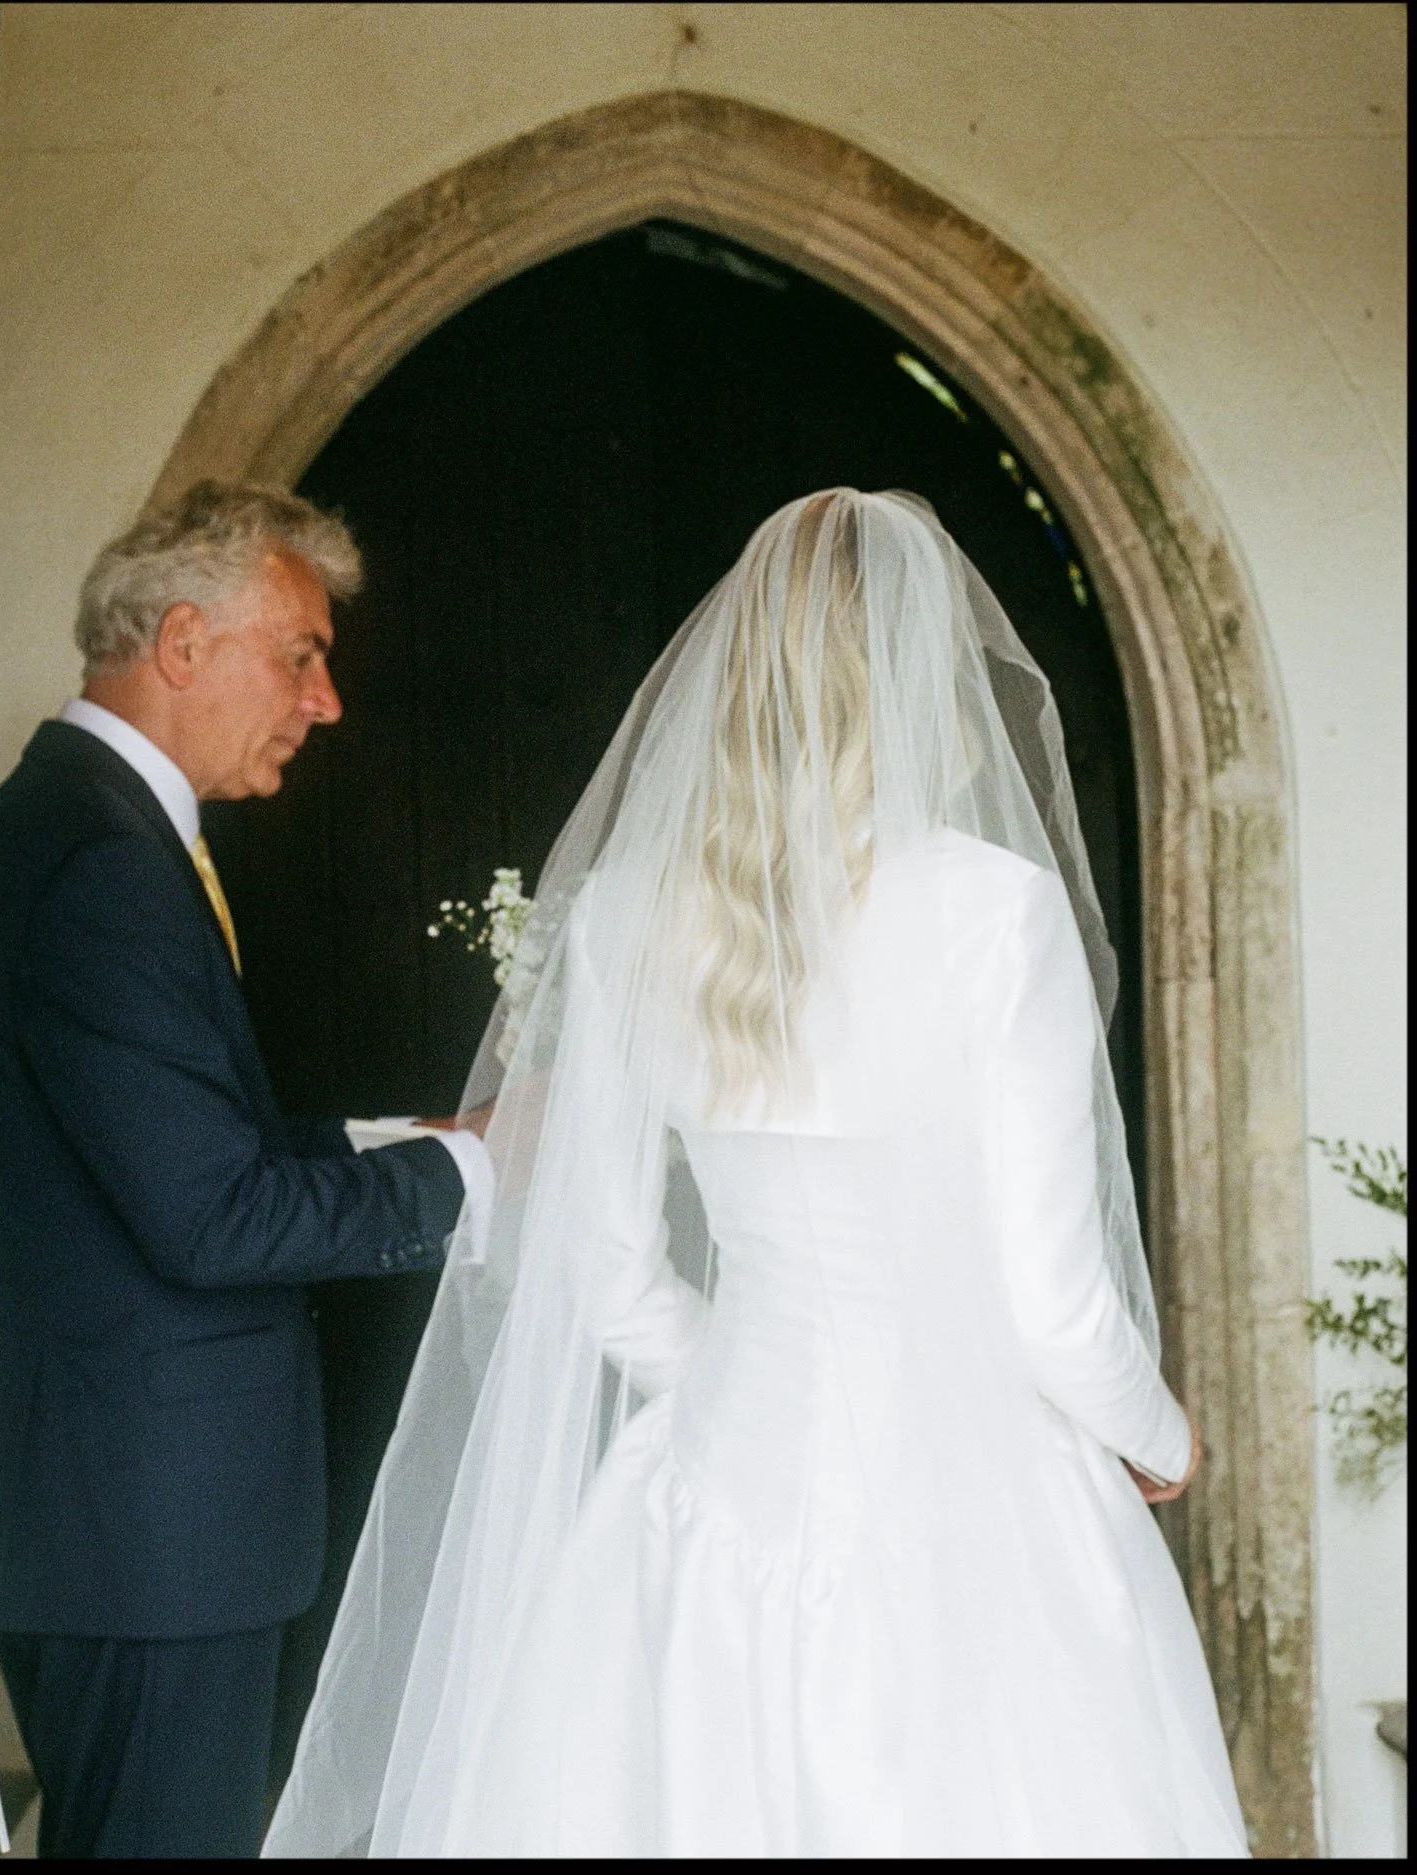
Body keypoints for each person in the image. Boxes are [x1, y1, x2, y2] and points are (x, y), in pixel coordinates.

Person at [265, 489, 1248, 1858]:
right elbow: (1053, 1302)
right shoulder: (990, 913)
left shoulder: (631, 914)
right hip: (985, 1522)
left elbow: (606, 1277)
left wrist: (738, 1374)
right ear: (916, 671)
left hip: (718, 1491)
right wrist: (1162, 1436)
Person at [0, 481, 492, 1859]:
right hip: (149, 1537)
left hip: (138, 1524)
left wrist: (411, 1144)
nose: (324, 702)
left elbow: (184, 1147)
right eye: (303, 653)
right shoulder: (101, 863)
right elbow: (211, 1217)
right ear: (185, 642)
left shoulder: (95, 829)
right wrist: (481, 1190)